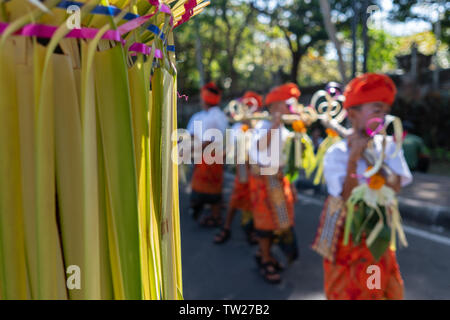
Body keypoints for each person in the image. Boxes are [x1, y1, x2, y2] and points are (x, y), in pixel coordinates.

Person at [311, 73, 413, 299]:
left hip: (377, 228)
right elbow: (345, 197)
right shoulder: (336, 153)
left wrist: (368, 157)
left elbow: (395, 186)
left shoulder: (388, 146)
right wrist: (352, 157)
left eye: (386, 112)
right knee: (345, 287)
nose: (384, 117)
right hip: (345, 229)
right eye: (377, 110)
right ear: (352, 115)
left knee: (375, 281)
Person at [248, 83, 300, 284]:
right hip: (263, 182)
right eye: (288, 105)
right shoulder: (261, 127)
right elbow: (258, 150)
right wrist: (274, 126)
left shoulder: (285, 130)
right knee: (265, 224)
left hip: (279, 181)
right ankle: (266, 258)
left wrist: (293, 184)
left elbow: (286, 162)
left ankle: (265, 254)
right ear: (276, 106)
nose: (291, 109)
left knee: (280, 222)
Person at [214, 91, 263, 245]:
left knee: (255, 200)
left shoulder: (261, 125)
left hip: (257, 170)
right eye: (246, 107)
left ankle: (250, 229)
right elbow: (232, 148)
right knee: (236, 199)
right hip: (242, 168)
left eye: (251, 107)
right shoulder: (237, 127)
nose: (248, 111)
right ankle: (227, 228)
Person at [187, 82, 229, 227]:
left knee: (207, 189)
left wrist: (190, 151)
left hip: (208, 158)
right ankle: (214, 215)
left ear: (205, 99)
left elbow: (206, 141)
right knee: (213, 188)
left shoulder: (211, 117)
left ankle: (212, 215)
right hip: (212, 158)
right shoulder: (218, 116)